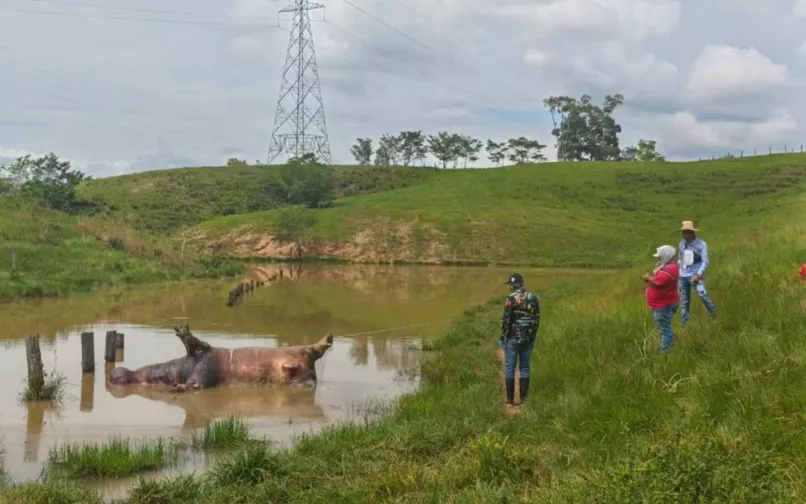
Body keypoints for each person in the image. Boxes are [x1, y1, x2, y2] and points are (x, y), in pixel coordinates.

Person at [499, 273, 541, 408]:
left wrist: (502, 337)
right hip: (528, 339)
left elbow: (506, 320)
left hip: (513, 338)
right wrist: (533, 335)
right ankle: (524, 400)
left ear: (513, 285)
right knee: (524, 367)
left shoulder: (511, 299)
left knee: (510, 367)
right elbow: (537, 319)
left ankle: (510, 400)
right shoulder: (533, 298)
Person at [678, 220, 716, 326]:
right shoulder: (681, 244)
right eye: (683, 232)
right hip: (683, 275)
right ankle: (684, 323)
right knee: (684, 302)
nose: (684, 234)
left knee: (703, 295)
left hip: (695, 275)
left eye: (686, 232)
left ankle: (713, 315)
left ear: (692, 232)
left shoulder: (701, 244)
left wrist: (698, 274)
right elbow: (680, 258)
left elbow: (705, 261)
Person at [643, 245, 680, 354]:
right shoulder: (670, 267)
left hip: (664, 305)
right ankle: (669, 345)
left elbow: (658, 282)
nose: (658, 259)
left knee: (665, 329)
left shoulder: (668, 270)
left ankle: (665, 353)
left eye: (660, 256)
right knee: (664, 327)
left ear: (665, 256)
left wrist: (648, 278)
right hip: (665, 303)